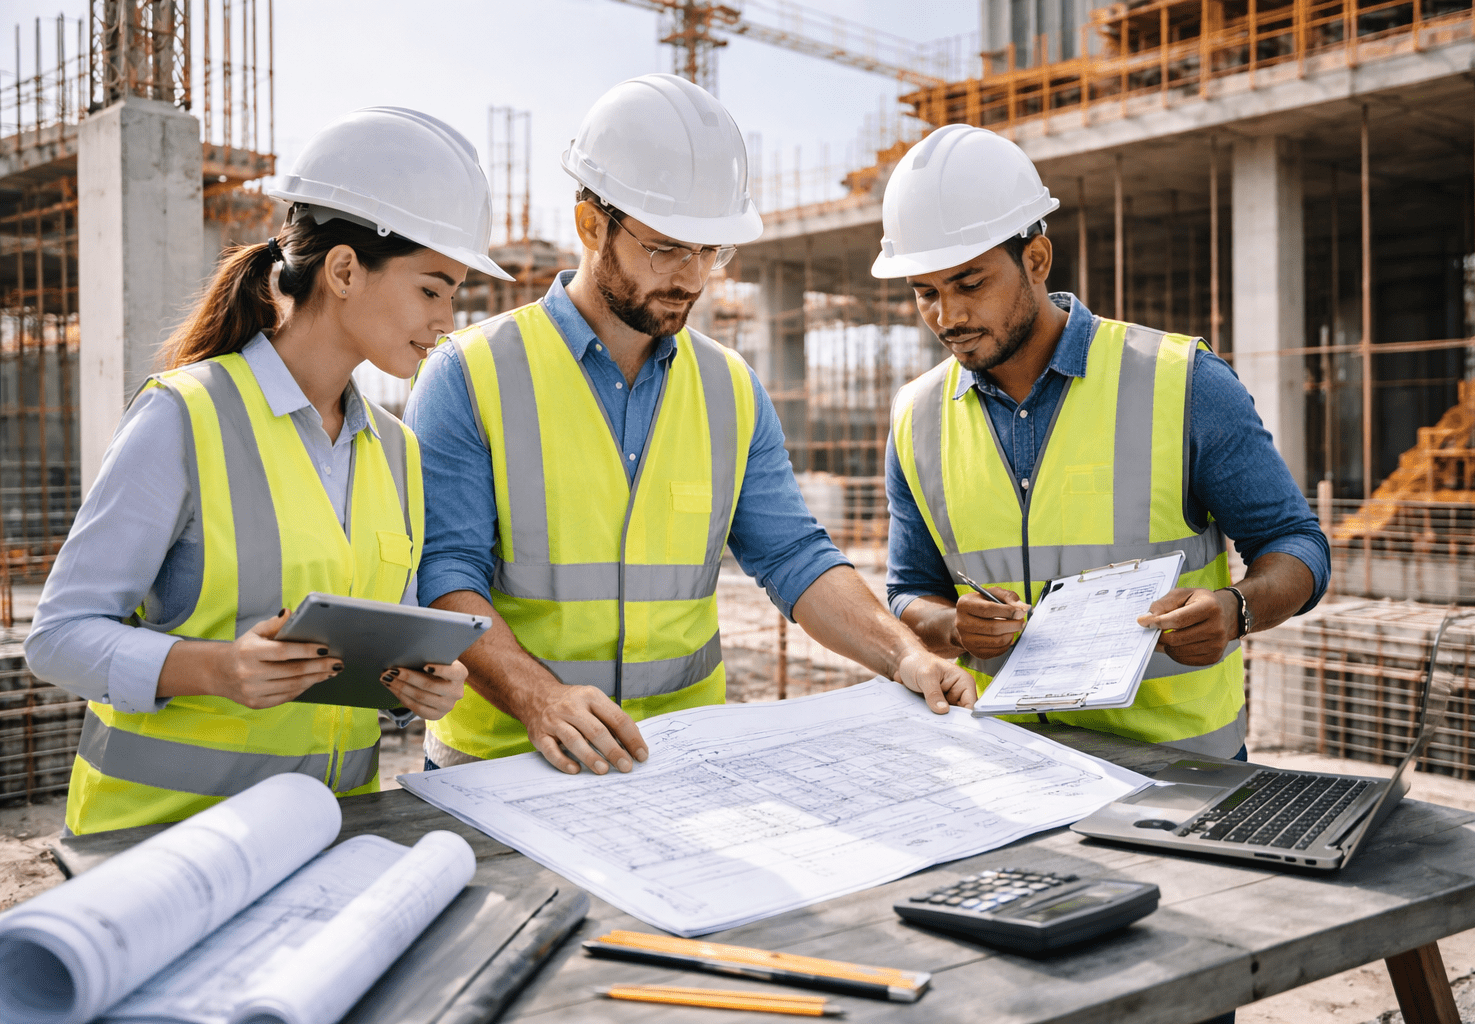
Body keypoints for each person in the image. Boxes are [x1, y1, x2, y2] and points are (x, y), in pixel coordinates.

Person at [407, 74, 976, 777]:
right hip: (506, 766)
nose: (693, 277)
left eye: (711, 252)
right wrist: (540, 699)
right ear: (592, 225)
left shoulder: (729, 388)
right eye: (667, 247)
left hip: (672, 768)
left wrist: (906, 655)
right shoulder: (470, 373)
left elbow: (795, 559)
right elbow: (443, 574)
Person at [26, 107, 507, 834]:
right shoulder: (184, 417)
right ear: (345, 269)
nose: (448, 320)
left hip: (323, 840)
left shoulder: (397, 449)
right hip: (156, 845)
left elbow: (366, 656)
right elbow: (57, 638)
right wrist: (216, 669)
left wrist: (415, 686)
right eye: (432, 289)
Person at [878, 124, 1330, 762]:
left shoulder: (1182, 381)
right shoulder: (915, 416)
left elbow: (1297, 545)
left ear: (1035, 260)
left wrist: (1237, 610)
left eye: (969, 283)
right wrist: (953, 626)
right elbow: (909, 592)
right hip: (1005, 768)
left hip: (1177, 774)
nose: (947, 318)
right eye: (926, 293)